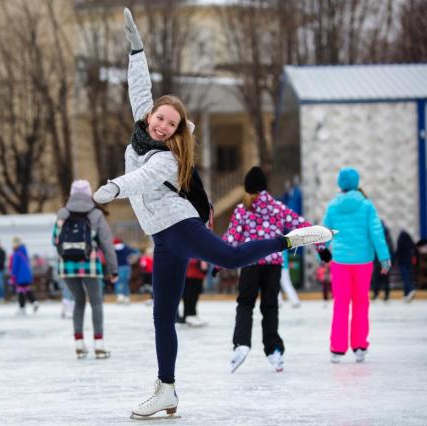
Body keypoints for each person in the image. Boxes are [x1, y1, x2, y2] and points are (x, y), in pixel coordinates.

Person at [91, 8, 334, 419]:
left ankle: (292, 239)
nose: (163, 126)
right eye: (160, 118)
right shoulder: (141, 125)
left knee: (231, 256)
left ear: (177, 132)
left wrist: (115, 187)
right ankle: (166, 389)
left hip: (177, 225)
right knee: (162, 316)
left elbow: (143, 179)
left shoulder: (166, 159)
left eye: (171, 124)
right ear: (151, 116)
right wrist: (136, 49)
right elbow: (139, 86)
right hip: (162, 239)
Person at [221, 166, 327, 373]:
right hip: (274, 265)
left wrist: (218, 263)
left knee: (245, 304)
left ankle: (241, 344)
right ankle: (274, 351)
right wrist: (321, 248)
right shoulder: (278, 208)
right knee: (270, 307)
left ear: (247, 188)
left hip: (250, 264)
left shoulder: (242, 210)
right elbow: (303, 226)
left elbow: (231, 238)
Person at [323, 168, 390, 364]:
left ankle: (337, 348)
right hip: (363, 262)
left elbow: (325, 232)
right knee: (361, 302)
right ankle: (360, 345)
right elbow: (376, 232)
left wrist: (321, 253)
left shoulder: (333, 206)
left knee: (341, 305)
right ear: (356, 182)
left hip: (340, 262)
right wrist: (384, 257)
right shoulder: (367, 205)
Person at [53, 179, 118, 359]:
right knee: (96, 302)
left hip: (66, 266)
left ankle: (79, 345)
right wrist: (113, 269)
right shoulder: (96, 214)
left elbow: (55, 240)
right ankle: (99, 345)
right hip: (90, 265)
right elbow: (107, 244)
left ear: (72, 194)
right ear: (89, 193)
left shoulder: (62, 213)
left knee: (78, 301)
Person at [10, 237, 39, 314]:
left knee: (20, 292)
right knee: (27, 290)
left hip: (20, 277)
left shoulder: (16, 254)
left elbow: (14, 267)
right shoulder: (24, 252)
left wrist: (13, 276)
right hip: (27, 276)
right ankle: (34, 302)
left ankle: (22, 308)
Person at [178, 259, 208, 327]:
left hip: (198, 276)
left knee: (194, 297)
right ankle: (189, 315)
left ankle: (192, 315)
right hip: (190, 276)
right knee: (189, 297)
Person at [371, 221, 394, 302]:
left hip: (379, 260)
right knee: (385, 278)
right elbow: (391, 248)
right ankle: (386, 295)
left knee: (377, 278)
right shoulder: (387, 236)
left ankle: (376, 294)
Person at [113, 238, 137, 304]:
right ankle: (127, 297)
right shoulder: (126, 247)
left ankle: (120, 296)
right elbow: (136, 252)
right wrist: (131, 260)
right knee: (125, 282)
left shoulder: (113, 249)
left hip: (117, 267)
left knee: (118, 282)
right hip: (126, 267)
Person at [396, 230, 417, 302]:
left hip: (402, 262)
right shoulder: (410, 241)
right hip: (409, 262)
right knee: (407, 277)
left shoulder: (400, 241)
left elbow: (398, 251)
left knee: (405, 278)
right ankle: (406, 295)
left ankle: (410, 290)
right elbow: (415, 249)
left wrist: (393, 260)